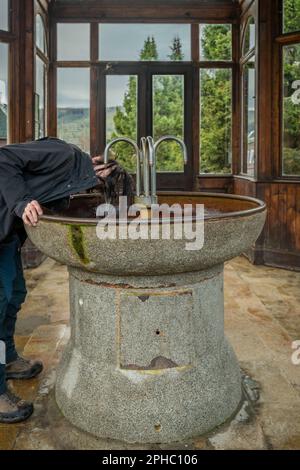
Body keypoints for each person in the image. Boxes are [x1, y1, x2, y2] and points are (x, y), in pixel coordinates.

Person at [0, 136, 131, 424]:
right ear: (101, 168)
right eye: (100, 189)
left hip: (6, 235)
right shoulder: (63, 154)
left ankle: (7, 357)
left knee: (15, 295)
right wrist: (21, 202)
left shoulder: (74, 176)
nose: (93, 193)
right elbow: (3, 159)